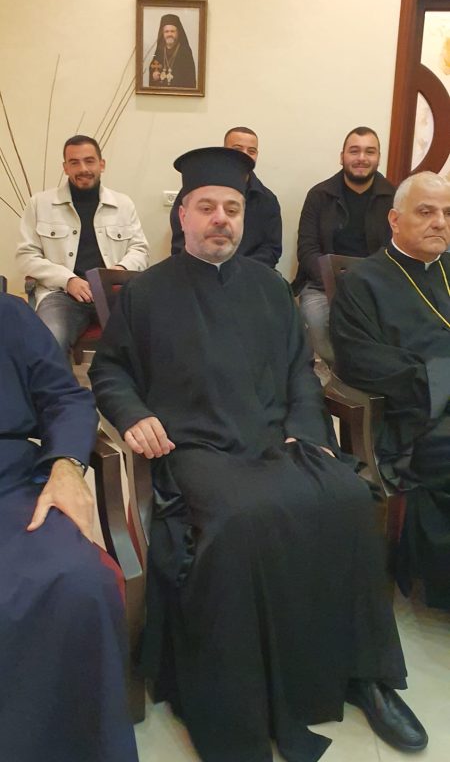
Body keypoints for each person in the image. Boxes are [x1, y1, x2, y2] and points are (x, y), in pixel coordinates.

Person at [89, 146, 427, 762]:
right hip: (195, 448)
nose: (221, 219)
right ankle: (242, 698)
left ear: (244, 218)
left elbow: (303, 369)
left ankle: (364, 675)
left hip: (276, 438)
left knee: (349, 499)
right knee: (242, 521)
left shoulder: (271, 288)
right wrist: (134, 415)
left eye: (233, 209)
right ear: (183, 216)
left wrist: (306, 428)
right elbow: (109, 371)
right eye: (207, 207)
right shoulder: (146, 293)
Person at [0, 292, 138, 762]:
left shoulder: (10, 314)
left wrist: (66, 464)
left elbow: (66, 397)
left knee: (81, 581)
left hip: (11, 484)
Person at [330, 170, 450, 611]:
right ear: (395, 220)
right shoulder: (363, 281)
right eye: (426, 212)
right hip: (416, 418)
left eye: (447, 213)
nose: (440, 222)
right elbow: (360, 361)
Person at [16, 134, 149, 358]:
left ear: (101, 164)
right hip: (61, 295)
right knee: (49, 341)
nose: (83, 169)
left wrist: (118, 271)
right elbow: (26, 256)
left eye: (89, 161)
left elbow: (140, 249)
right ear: (65, 168)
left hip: (114, 294)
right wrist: (67, 280)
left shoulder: (123, 204)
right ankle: (61, 383)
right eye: (74, 162)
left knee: (151, 338)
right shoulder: (40, 204)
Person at [291, 126, 394, 365]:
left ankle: (363, 371)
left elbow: (394, 250)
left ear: (379, 158)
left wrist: (362, 285)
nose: (361, 158)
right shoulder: (319, 195)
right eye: (354, 151)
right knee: (316, 319)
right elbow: (307, 248)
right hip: (321, 286)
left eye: (369, 152)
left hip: (374, 287)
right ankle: (338, 372)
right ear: (342, 156)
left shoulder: (393, 197)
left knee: (384, 325)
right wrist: (333, 281)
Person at [170, 126, 282, 268]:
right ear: (225, 149)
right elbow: (180, 243)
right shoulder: (194, 192)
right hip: (195, 269)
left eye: (251, 151)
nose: (245, 155)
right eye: (237, 149)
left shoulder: (267, 199)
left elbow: (271, 249)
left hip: (252, 271)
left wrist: (240, 270)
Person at [149, 13, 196, 88]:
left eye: (172, 31)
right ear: (163, 33)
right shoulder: (159, 51)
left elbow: (190, 79)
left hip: (179, 93)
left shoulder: (185, 52)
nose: (169, 34)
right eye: (166, 31)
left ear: (178, 33)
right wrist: (153, 76)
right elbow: (152, 68)